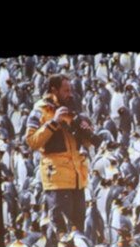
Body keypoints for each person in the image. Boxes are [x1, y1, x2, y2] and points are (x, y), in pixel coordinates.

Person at [25, 73, 95, 232]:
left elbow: (82, 144)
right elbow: (31, 141)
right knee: (63, 234)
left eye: (70, 90)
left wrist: (87, 133)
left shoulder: (71, 109)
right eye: (66, 90)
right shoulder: (40, 110)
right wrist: (54, 122)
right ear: (54, 90)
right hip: (57, 181)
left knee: (78, 232)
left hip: (77, 178)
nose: (70, 94)